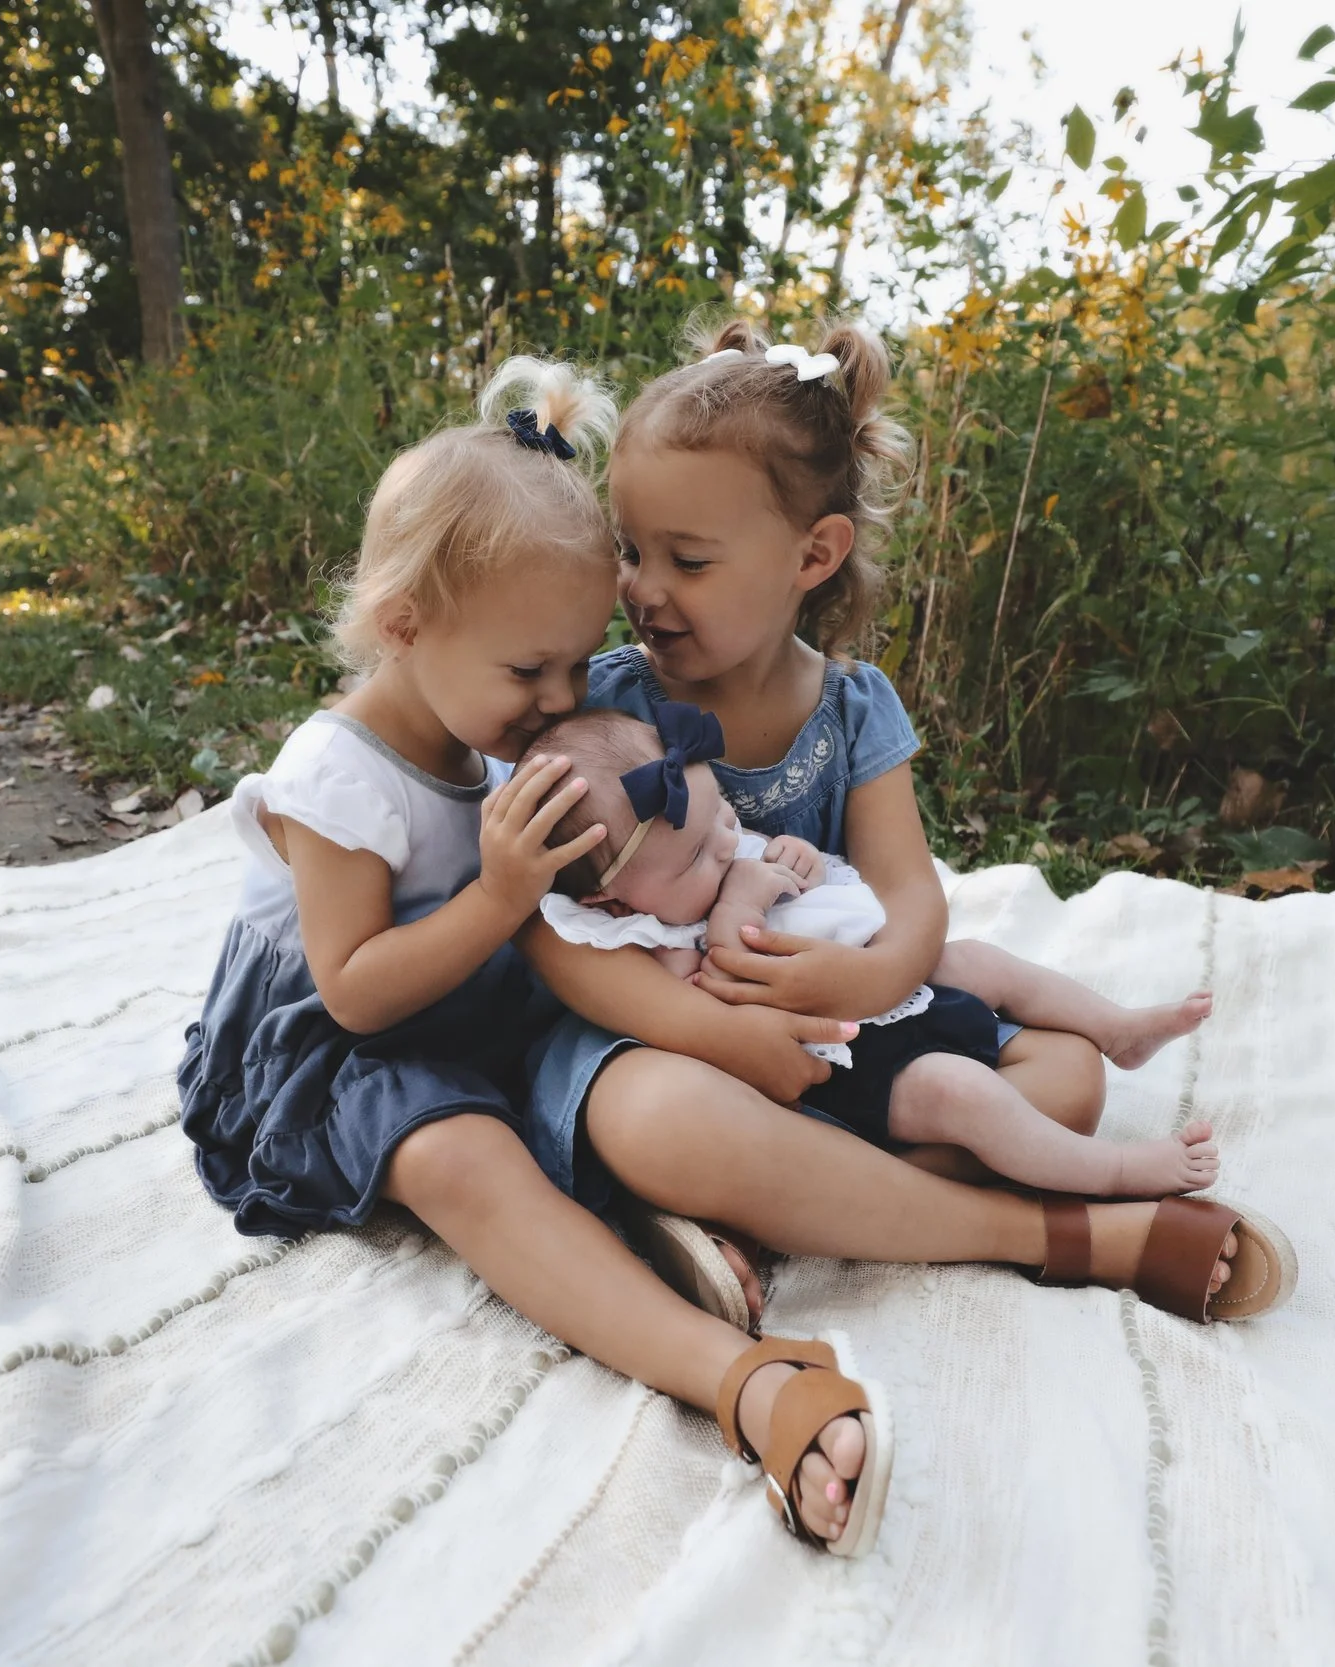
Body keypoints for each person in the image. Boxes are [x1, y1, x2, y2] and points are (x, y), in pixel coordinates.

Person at [177, 358, 893, 1555]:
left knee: (612, 1047)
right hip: (335, 1046)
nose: (559, 698)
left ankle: (664, 1210)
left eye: (576, 661)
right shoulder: (335, 777)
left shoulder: (488, 732)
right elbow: (353, 992)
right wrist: (504, 893)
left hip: (470, 996)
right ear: (405, 626)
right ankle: (745, 1379)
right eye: (530, 672)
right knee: (466, 1156)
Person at [518, 318, 1297, 1334]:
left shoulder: (849, 705)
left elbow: (910, 893)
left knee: (1065, 1079)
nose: (641, 588)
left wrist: (876, 977)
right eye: (629, 550)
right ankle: (984, 1217)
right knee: (651, 1119)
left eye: (688, 560)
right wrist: (724, 1035)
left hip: (866, 1038)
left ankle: (778, 1201)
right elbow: (547, 931)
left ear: (814, 552)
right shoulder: (605, 713)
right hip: (692, 1040)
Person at [532, 703, 1222, 1199]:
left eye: (723, 818)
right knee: (966, 1094)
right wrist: (740, 901)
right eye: (694, 862)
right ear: (614, 900)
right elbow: (708, 990)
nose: (724, 843)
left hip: (884, 980)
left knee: (981, 959)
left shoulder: (703, 843)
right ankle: (1115, 1174)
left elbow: (813, 877)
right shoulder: (642, 934)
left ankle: (1114, 1028)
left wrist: (795, 858)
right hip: (851, 1060)